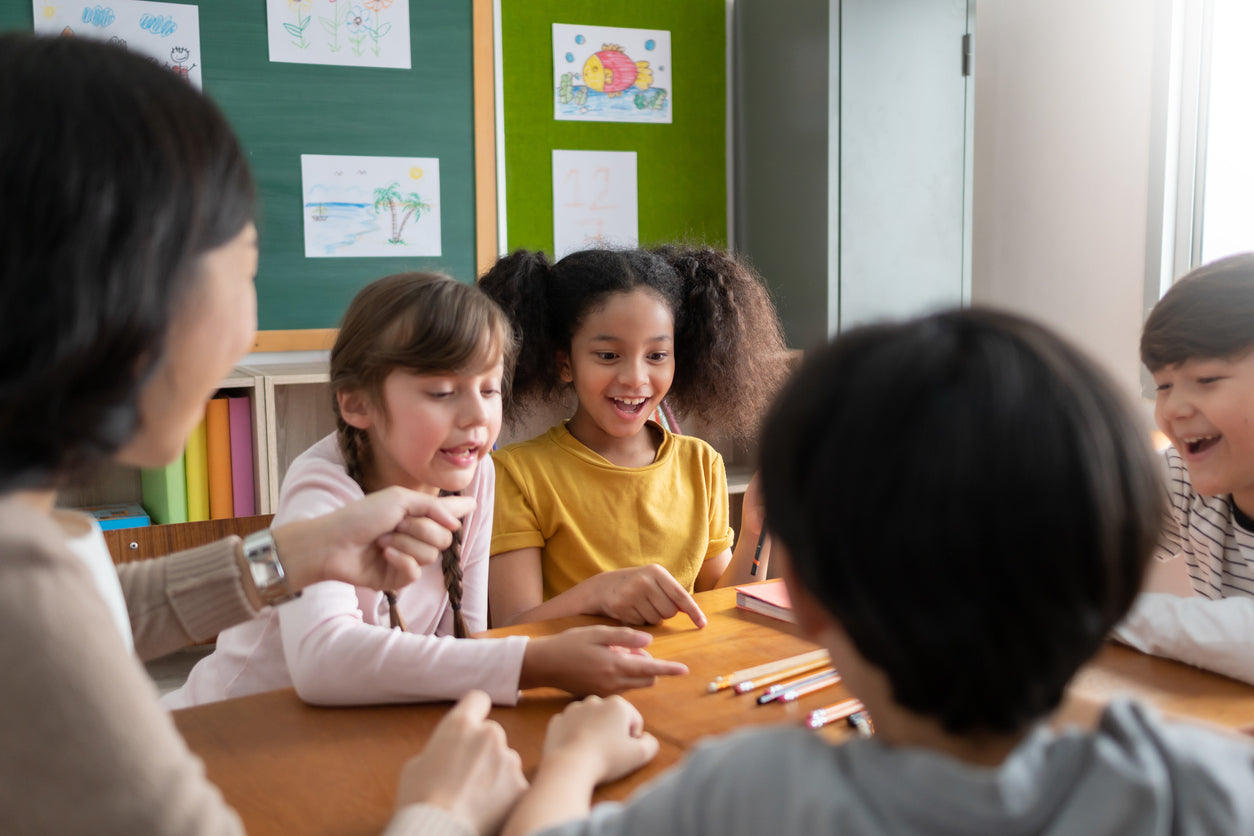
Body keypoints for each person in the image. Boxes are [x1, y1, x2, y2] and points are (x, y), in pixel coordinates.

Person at [0, 33, 523, 835]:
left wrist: (299, 554)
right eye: (244, 268)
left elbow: (98, 607)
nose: (248, 320)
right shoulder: (19, 589)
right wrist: (443, 809)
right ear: (123, 288)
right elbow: (54, 619)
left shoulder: (30, 549)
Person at [502, 309, 1254, 836]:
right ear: (1114, 579)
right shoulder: (1201, 785)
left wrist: (570, 762)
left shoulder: (758, 793)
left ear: (802, 596)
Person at [165, 272, 688, 709]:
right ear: (357, 404)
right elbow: (323, 662)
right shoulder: (323, 488)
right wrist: (533, 662)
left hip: (352, 726)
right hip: (228, 727)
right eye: (441, 392)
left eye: (488, 389)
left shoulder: (476, 475)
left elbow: (465, 640)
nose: (477, 416)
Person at [479, 246, 789, 627]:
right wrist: (599, 594)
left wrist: (757, 533)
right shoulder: (516, 474)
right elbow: (513, 625)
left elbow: (722, 611)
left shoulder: (701, 463)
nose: (636, 379)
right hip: (581, 683)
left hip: (687, 677)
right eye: (608, 356)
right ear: (565, 363)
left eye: (657, 355)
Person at [1113, 253, 1254, 684]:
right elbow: (1078, 546)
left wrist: (1097, 612)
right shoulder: (1182, 478)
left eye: (1207, 380)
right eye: (1163, 386)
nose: (1173, 408)